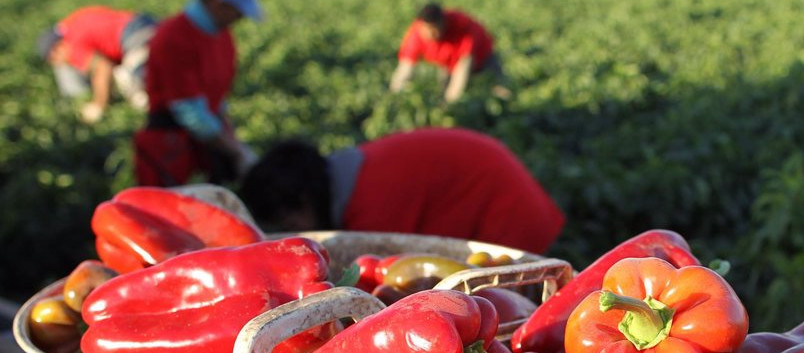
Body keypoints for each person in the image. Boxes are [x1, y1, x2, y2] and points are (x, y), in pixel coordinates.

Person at [238, 128, 565, 254]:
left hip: (507, 211)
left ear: (303, 199)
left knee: (512, 311)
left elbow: (394, 275)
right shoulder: (352, 176)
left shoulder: (370, 201)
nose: (296, 229)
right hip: (498, 187)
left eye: (288, 219)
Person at [132, 0, 262, 187]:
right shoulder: (175, 37)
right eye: (237, 13)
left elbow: (217, 98)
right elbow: (190, 112)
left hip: (201, 141)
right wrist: (236, 151)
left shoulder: (221, 34)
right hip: (169, 147)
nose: (239, 19)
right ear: (218, 5)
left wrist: (233, 141)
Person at [37, 6, 158, 123]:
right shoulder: (72, 25)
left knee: (137, 83)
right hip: (141, 22)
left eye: (53, 59)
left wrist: (98, 105)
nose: (57, 62)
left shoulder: (73, 45)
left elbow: (104, 67)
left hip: (136, 34)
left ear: (57, 49)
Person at [388, 3, 510, 103]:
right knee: (444, 91)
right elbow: (405, 67)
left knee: (496, 87)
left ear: (442, 22)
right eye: (427, 29)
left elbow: (464, 66)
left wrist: (452, 100)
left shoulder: (462, 26)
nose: (431, 34)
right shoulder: (416, 34)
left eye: (434, 29)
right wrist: (394, 94)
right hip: (448, 64)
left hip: (482, 58)